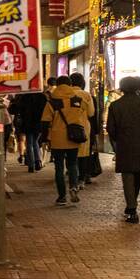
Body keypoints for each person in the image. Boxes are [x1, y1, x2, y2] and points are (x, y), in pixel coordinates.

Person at [105, 76, 140, 223]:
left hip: (124, 145)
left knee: (127, 176)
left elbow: (111, 129)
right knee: (137, 175)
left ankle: (132, 208)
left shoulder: (115, 106)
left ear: (122, 88)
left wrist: (117, 142)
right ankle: (131, 206)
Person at [41, 73, 95, 206]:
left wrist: (44, 139)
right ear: (70, 85)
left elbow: (44, 121)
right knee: (72, 165)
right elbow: (90, 112)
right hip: (73, 137)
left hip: (57, 139)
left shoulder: (52, 101)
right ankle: (73, 187)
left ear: (57, 86)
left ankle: (62, 197)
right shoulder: (77, 100)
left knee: (59, 167)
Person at [71, 73, 102, 184]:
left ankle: (73, 175)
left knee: (71, 153)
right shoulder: (87, 96)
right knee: (84, 153)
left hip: (68, 128)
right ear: (82, 83)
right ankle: (83, 177)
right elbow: (91, 113)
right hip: (83, 128)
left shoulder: (66, 95)